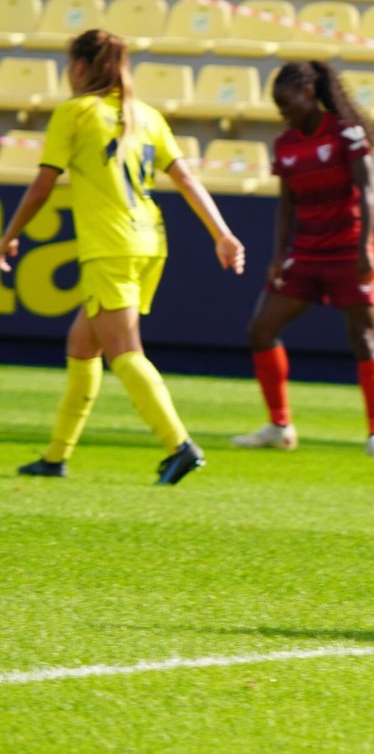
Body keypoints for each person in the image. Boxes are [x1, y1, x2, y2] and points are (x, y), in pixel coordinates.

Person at [1, 30, 245, 483]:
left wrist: (8, 235)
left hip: (110, 246)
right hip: (149, 241)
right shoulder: (145, 114)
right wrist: (222, 234)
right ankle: (55, 457)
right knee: (82, 345)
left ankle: (180, 446)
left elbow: (41, 186)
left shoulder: (76, 112)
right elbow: (186, 178)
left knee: (125, 351)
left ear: (78, 67)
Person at [231, 61, 374, 458]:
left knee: (364, 338)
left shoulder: (346, 133)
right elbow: (287, 205)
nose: (282, 111)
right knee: (261, 330)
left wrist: (365, 249)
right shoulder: (285, 144)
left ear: (308, 92)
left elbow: (367, 192)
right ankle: (279, 426)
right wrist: (279, 256)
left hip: (347, 249)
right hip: (305, 252)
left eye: (285, 102)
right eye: (277, 105)